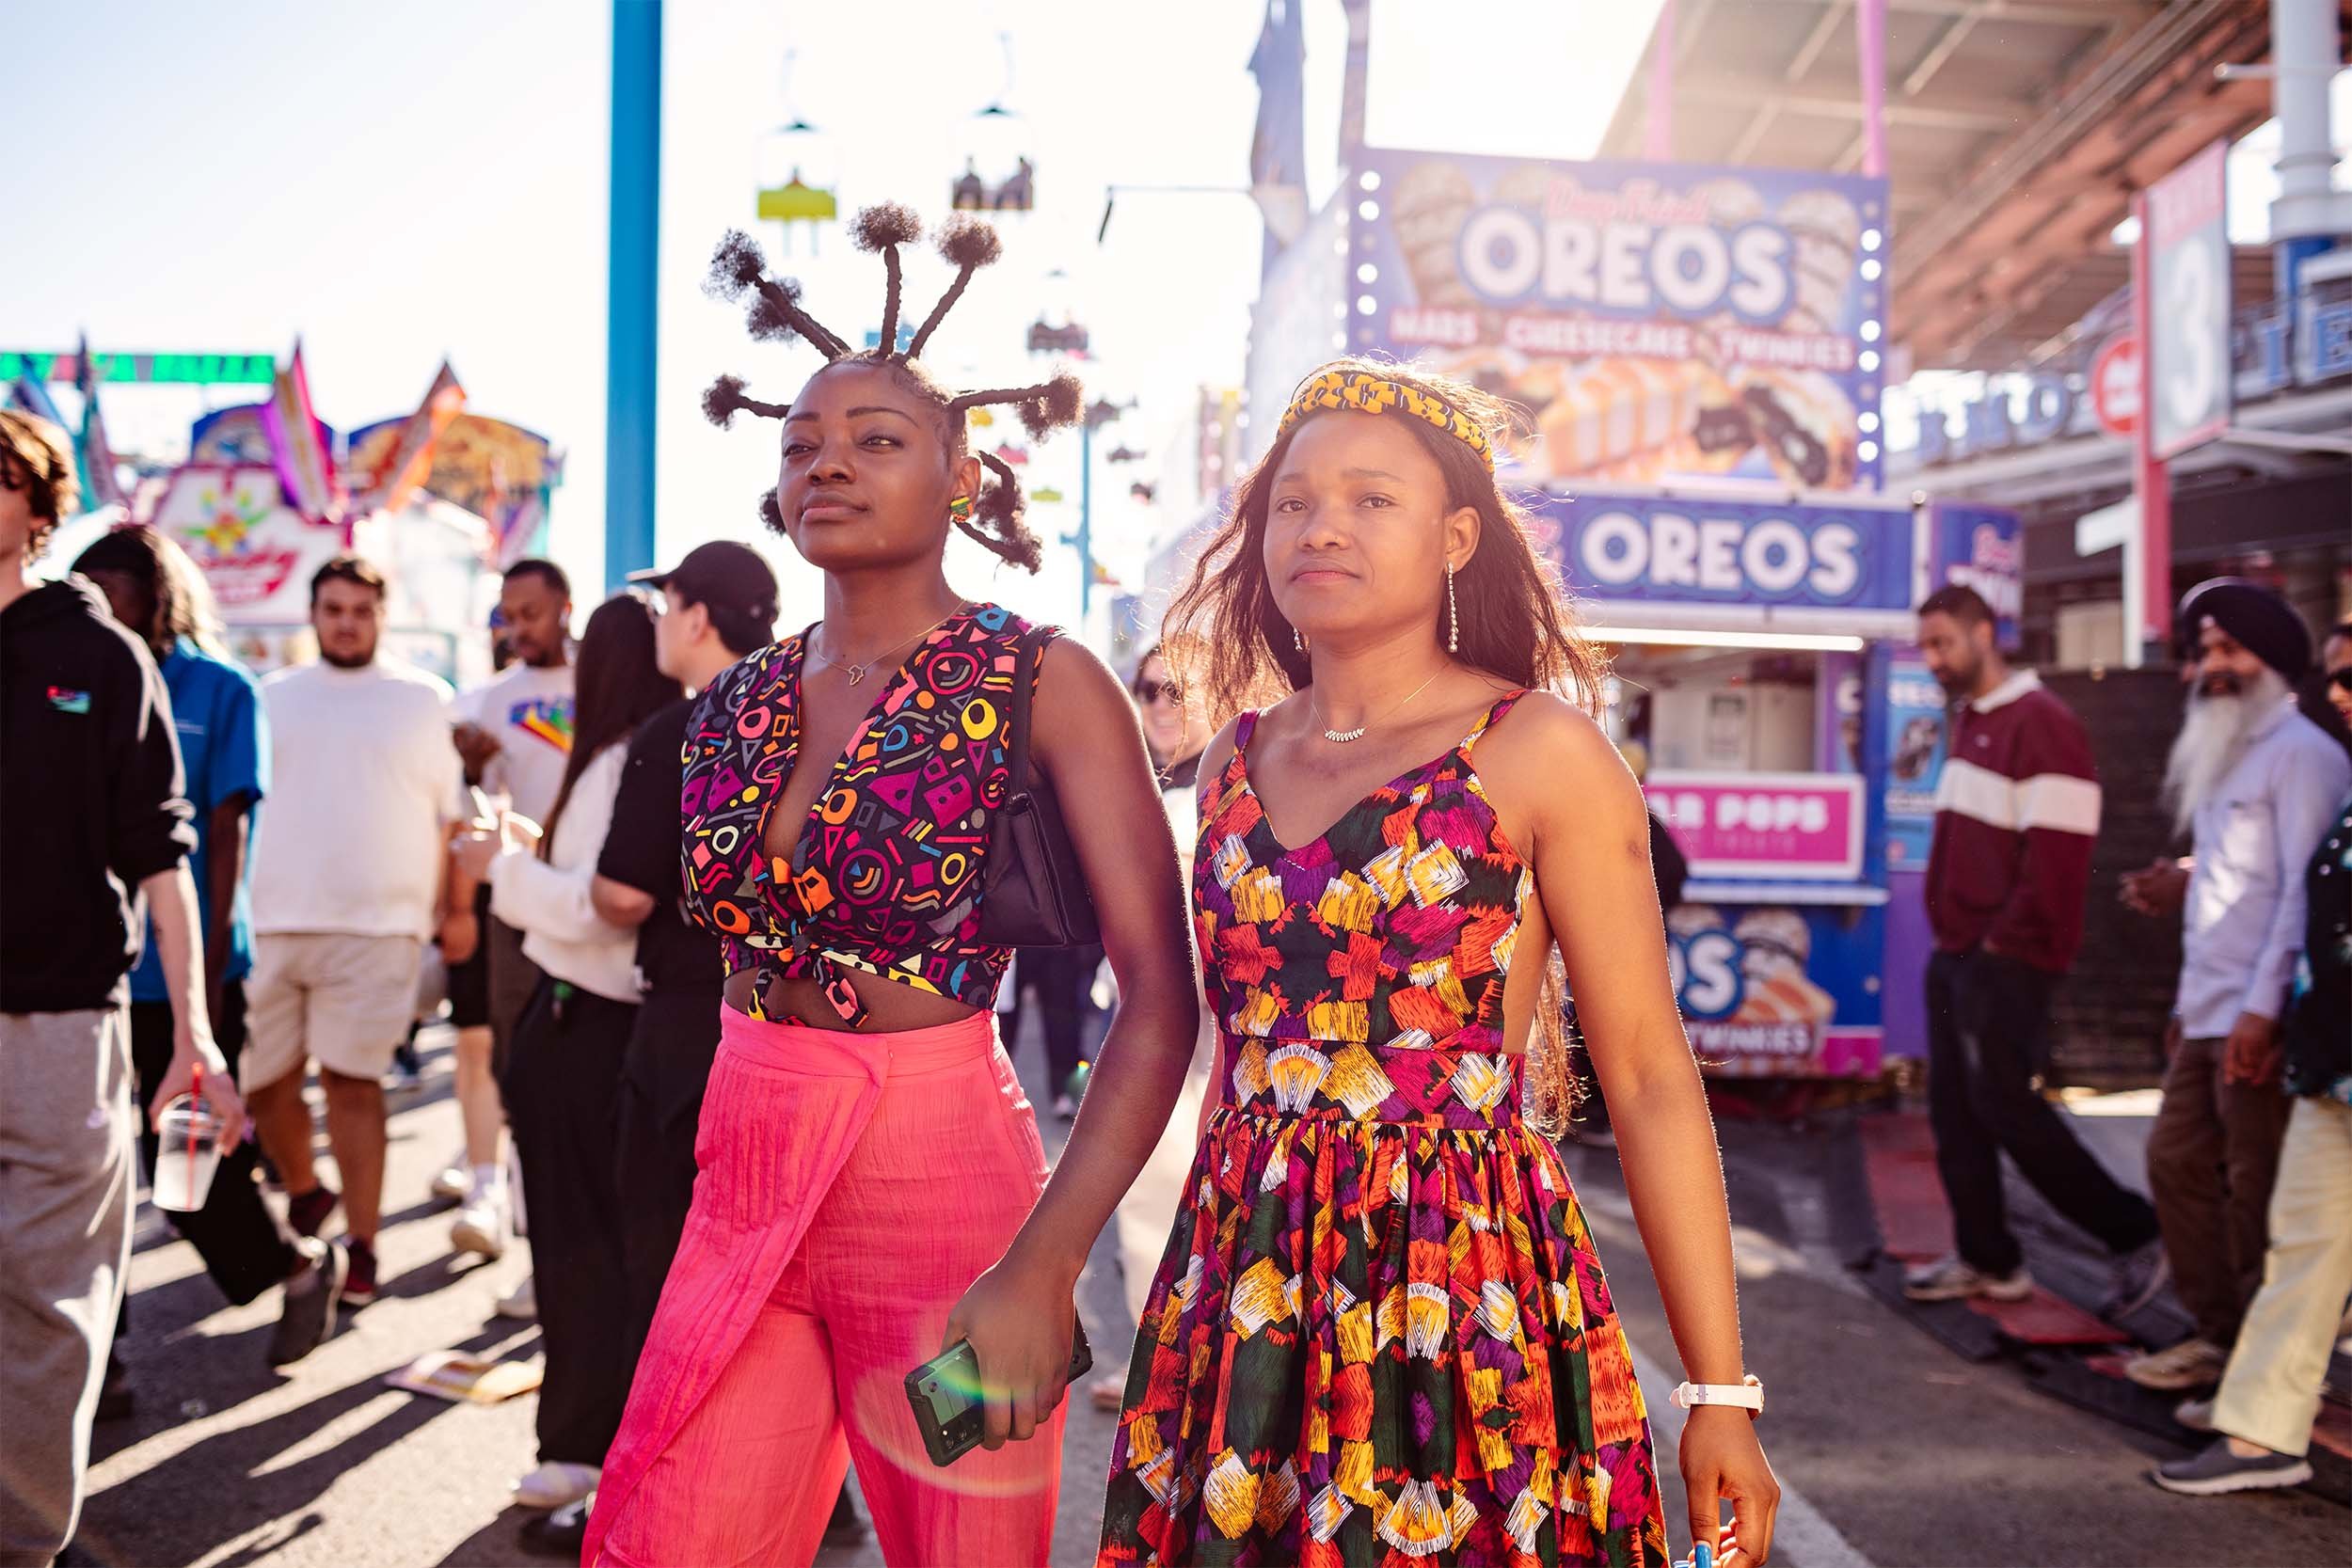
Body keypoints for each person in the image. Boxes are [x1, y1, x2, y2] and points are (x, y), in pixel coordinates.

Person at [585, 207, 1201, 1568]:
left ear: (960, 473)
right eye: (802, 442)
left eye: (875, 439)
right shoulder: (736, 697)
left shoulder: (1043, 678)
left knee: (959, 1547)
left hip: (944, 1190)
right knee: (671, 1537)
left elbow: (1161, 996)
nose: (829, 464)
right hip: (745, 1151)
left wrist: (1046, 1259)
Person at [1098, 360, 1779, 1567]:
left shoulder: (1538, 748)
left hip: (1455, 1279)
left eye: (1372, 499)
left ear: (1458, 535)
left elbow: (1647, 1071)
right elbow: (1200, 1041)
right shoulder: (1228, 764)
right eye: (1293, 501)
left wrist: (1720, 1393)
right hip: (1244, 1274)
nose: (1322, 526)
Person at [0, 410, 246, 1567]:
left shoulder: (102, 657)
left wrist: (194, 1027)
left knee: (52, 1308)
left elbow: (164, 854)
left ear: (40, 512)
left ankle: (22, 1539)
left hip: (64, 1024)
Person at [72, 527, 345, 1383]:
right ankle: (98, 1356)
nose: (96, 608)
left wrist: (215, 973)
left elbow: (226, 835)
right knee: (87, 1167)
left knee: (184, 1164)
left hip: (186, 966)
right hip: (84, 964)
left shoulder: (220, 688)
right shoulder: (73, 679)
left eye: (111, 589)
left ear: (158, 595)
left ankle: (296, 1267)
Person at [455, 594, 680, 1538]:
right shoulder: (664, 747)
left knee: (578, 1248)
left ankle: (578, 1446)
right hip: (616, 1025)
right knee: (613, 1248)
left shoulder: (617, 757)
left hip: (583, 1019)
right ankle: (595, 1442)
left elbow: (598, 908)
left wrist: (498, 867)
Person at [1905, 583, 2165, 1307]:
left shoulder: (2043, 722)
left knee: (2006, 1106)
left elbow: (2058, 857)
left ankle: (2134, 1231)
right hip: (1959, 951)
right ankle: (1989, 1257)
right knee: (1955, 1109)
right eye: (1926, 645)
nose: (1933, 659)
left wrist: (1998, 947)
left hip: (2004, 959)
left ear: (1985, 633)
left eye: (1943, 642)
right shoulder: (1973, 719)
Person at [2125, 579, 2351, 1393]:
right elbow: (2233, 885)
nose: (2214, 666)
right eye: (2207, 651)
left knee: (2258, 1190)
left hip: (2262, 1015)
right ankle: (2220, 1339)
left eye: (2231, 649)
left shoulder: (2305, 755)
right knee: (2178, 1163)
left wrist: (2261, 1011)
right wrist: (2190, 1003)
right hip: (2210, 1009)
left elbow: (2301, 892)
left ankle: (2274, 1370)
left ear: (2275, 660)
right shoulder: (2231, 752)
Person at [242, 554, 467, 1309]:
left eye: (360, 610)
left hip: (379, 926)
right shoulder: (268, 697)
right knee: (261, 1088)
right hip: (271, 921)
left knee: (352, 1084)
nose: (346, 622)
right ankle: (307, 1192)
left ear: (380, 614)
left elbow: (452, 817)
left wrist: (450, 910)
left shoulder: (422, 699)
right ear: (313, 613)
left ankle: (363, 1244)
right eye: (333, 608)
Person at [2153, 778, 2352, 1494]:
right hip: (2331, 1065)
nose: (2337, 691)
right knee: (2300, 1243)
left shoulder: (2309, 766)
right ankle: (2261, 1430)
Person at [1087, 641, 1218, 1413]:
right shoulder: (1147, 793)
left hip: (1231, 1026)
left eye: (1178, 688)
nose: (1162, 703)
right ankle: (1156, 1359)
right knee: (1151, 1191)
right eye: (1147, 689)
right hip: (1161, 1020)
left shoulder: (1238, 783)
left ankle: (1173, 1366)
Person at [441, 559, 577, 1263]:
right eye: (508, 615)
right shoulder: (488, 700)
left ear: (565, 607)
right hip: (516, 898)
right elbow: (470, 815)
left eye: (531, 612)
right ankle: (516, 1217)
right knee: (514, 1060)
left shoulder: (603, 677)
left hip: (590, 899)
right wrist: (468, 770)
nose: (519, 627)